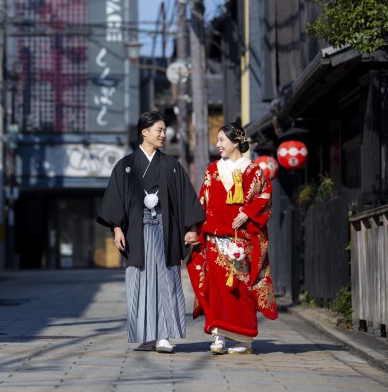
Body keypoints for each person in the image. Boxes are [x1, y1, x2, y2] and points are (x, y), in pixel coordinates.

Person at [97, 111, 204, 353]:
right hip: (137, 230)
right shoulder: (125, 166)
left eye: (165, 130)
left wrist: (192, 228)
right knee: (140, 280)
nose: (164, 135)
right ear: (144, 132)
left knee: (166, 280)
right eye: (159, 130)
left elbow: (187, 197)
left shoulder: (171, 166)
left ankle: (164, 335)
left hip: (166, 231)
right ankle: (147, 335)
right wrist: (116, 227)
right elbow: (117, 200)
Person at [187, 123, 278, 355]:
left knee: (241, 287)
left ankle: (244, 339)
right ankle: (218, 335)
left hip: (242, 239)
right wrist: (194, 229)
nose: (217, 145)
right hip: (216, 238)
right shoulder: (212, 170)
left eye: (221, 140)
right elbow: (202, 202)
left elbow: (265, 195)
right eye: (217, 140)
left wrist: (246, 213)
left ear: (236, 142)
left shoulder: (254, 170)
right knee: (217, 288)